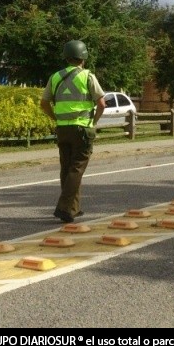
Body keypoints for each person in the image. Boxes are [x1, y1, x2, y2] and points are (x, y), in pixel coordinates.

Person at [40, 40, 106, 223]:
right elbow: (101, 104)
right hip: (82, 128)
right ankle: (63, 207)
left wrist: (56, 118)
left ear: (66, 57)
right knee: (76, 168)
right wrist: (93, 122)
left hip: (63, 128)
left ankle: (72, 209)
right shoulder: (87, 76)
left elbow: (44, 103)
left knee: (66, 168)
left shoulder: (55, 77)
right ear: (83, 58)